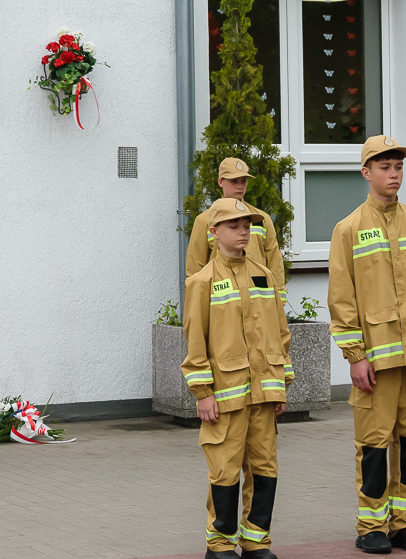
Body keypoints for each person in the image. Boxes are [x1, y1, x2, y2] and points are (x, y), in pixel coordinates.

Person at [327, 135, 406, 554]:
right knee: (374, 445)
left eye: (398, 167)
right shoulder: (349, 229)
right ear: (366, 172)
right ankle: (372, 527)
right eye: (384, 167)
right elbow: (342, 300)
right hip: (375, 362)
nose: (393, 174)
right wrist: (355, 357)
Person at [182, 198, 294, 559]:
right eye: (234, 225)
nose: (243, 231)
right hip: (225, 397)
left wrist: (281, 385)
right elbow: (195, 342)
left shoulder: (263, 274)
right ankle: (220, 545)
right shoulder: (201, 282)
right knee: (225, 473)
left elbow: (280, 333)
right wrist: (202, 393)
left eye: (247, 224)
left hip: (263, 394)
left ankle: (256, 542)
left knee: (264, 470)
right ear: (213, 232)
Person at [186, 157, 287, 305]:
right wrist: (196, 303)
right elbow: (195, 267)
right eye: (234, 181)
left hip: (258, 297)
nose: (240, 186)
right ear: (220, 182)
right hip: (223, 300)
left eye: (243, 181)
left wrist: (279, 299)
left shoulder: (261, 218)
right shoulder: (205, 221)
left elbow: (274, 259)